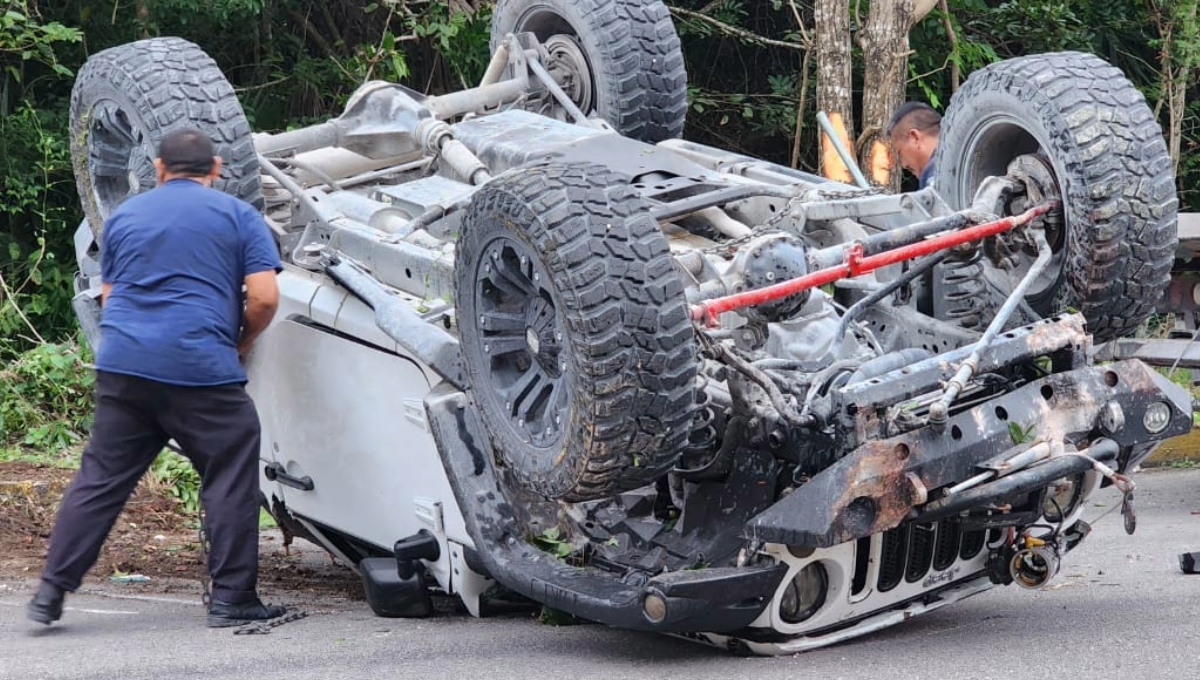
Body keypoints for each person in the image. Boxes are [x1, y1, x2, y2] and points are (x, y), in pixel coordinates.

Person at [27, 128, 285, 628]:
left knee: (100, 480)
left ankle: (50, 592)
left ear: (160, 170)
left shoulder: (124, 216)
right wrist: (241, 342)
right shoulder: (238, 216)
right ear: (214, 169)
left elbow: (108, 296)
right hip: (201, 370)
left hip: (125, 368)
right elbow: (265, 297)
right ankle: (233, 599)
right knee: (230, 470)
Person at [886, 101, 941, 189]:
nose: (903, 165)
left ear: (915, 138)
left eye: (899, 152)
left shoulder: (936, 177)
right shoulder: (964, 155)